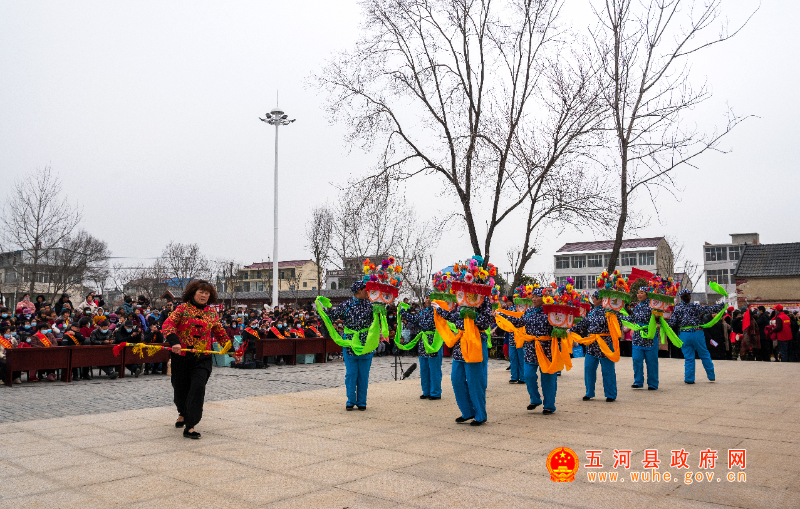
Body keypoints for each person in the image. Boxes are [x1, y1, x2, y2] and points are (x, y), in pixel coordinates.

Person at [162, 280, 228, 439]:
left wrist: (232, 351)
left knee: (198, 387)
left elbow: (220, 333)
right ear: (193, 293)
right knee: (180, 389)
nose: (204, 295)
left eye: (207, 293)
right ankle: (182, 413)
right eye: (201, 292)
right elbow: (168, 325)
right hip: (182, 356)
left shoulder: (212, 313)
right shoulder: (182, 309)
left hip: (202, 357)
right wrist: (175, 341)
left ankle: (190, 425)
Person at [435, 293, 495, 425]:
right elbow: (455, 317)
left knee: (474, 381)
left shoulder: (483, 298)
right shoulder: (460, 297)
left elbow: (486, 322)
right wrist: (439, 310)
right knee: (456, 379)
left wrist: (472, 315)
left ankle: (480, 414)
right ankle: (467, 412)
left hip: (475, 341)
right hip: (460, 343)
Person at [499, 288, 557, 415]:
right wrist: (500, 315)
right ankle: (535, 399)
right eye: (533, 296)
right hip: (531, 348)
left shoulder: (552, 311)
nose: (534, 299)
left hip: (546, 348)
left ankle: (549, 405)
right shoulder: (529, 311)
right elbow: (518, 322)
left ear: (545, 297)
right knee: (528, 375)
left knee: (547, 377)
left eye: (537, 296)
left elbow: (560, 328)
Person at [323, 281, 376, 410]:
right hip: (350, 342)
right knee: (351, 373)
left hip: (366, 342)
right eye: (365, 289)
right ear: (358, 290)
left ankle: (362, 401)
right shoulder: (346, 304)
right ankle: (351, 400)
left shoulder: (371, 305)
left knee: (363, 374)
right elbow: (331, 316)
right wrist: (322, 310)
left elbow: (379, 318)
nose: (367, 292)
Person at [569, 291, 619, 402]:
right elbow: (584, 323)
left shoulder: (610, 311)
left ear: (601, 299)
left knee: (608, 370)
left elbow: (617, 324)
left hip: (605, 343)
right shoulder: (592, 312)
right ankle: (589, 392)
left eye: (595, 298)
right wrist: (570, 330)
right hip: (591, 344)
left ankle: (611, 394)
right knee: (589, 368)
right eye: (593, 298)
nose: (593, 299)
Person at [668, 289, 722, 384]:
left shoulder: (677, 308)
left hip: (684, 333)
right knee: (704, 354)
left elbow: (672, 323)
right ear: (690, 296)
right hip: (697, 332)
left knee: (689, 357)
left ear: (680, 298)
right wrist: (722, 305)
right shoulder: (696, 306)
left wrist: (662, 322)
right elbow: (710, 309)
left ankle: (689, 378)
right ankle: (711, 375)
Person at [398, 292, 443, 401]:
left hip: (434, 342)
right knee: (424, 368)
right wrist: (402, 310)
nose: (428, 300)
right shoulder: (422, 312)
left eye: (430, 298)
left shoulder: (439, 312)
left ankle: (435, 392)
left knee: (434, 368)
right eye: (427, 298)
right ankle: (426, 391)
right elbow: (413, 319)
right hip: (423, 342)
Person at [630, 287, 658, 390]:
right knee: (637, 360)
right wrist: (619, 315)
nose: (639, 295)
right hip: (638, 336)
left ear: (647, 294)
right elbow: (632, 318)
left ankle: (653, 384)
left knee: (651, 361)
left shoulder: (653, 306)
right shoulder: (637, 306)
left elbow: (659, 318)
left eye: (641, 292)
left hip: (649, 335)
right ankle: (638, 381)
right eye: (638, 293)